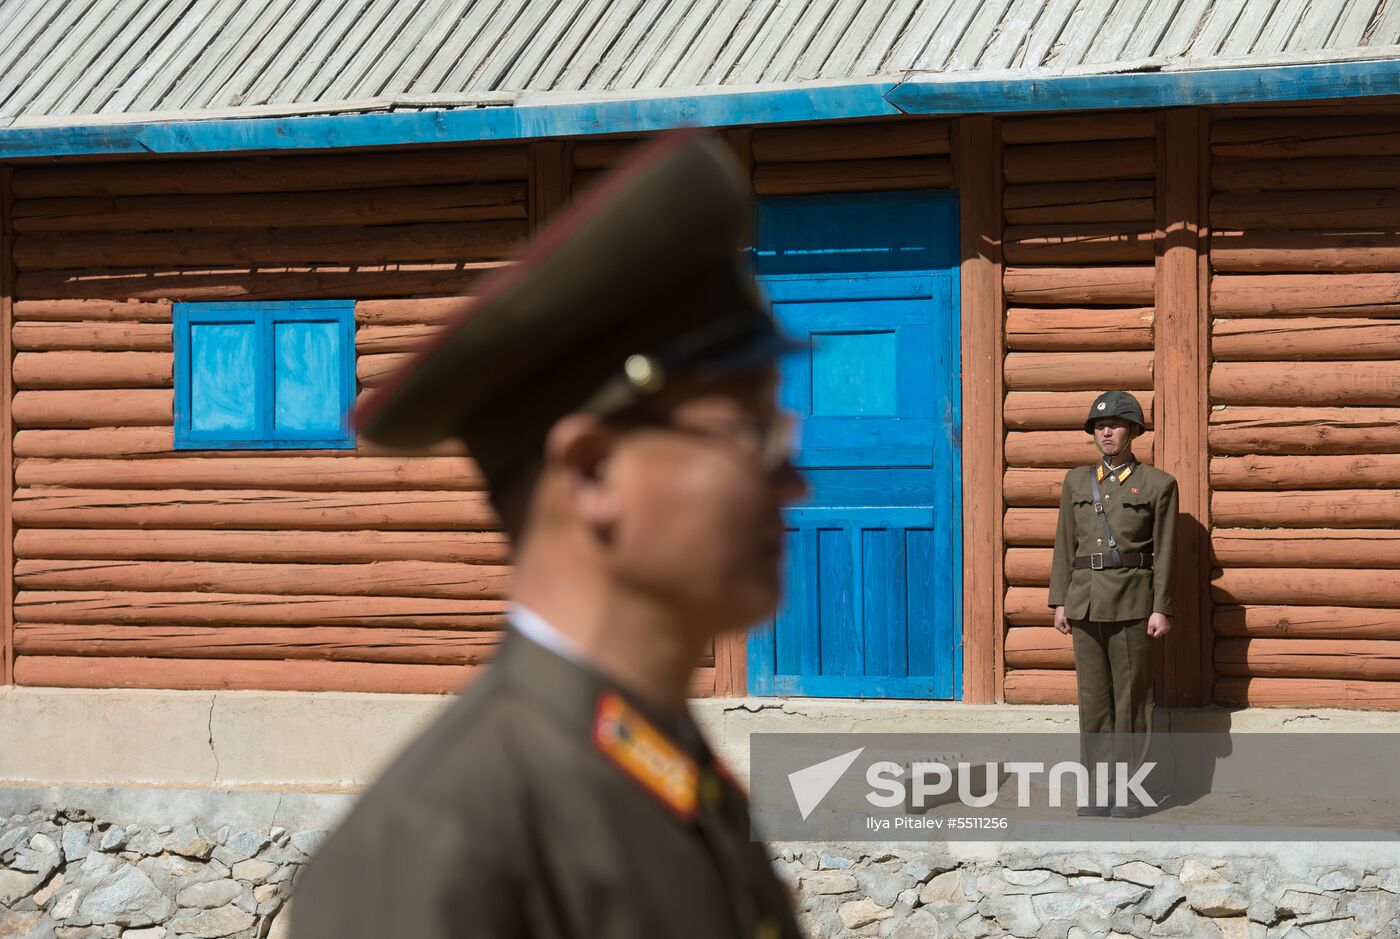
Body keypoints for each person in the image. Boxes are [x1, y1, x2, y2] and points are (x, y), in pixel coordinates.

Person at [288, 132, 806, 939]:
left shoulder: (661, 769)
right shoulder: (442, 843)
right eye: (750, 433)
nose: (793, 481)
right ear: (592, 472)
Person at [1047, 391, 1177, 818]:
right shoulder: (1076, 482)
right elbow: (1065, 542)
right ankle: (1098, 791)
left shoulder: (1158, 484)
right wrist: (1059, 600)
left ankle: (1129, 792)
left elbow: (1168, 552)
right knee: (1094, 702)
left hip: (1134, 603)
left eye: (1117, 424)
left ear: (1133, 432)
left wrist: (1162, 607)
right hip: (1084, 603)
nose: (1106, 430)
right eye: (1099, 426)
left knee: (1132, 702)